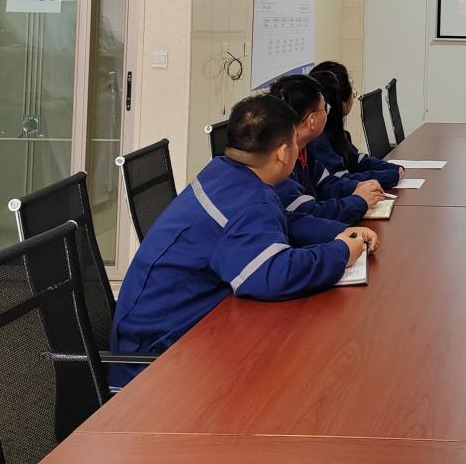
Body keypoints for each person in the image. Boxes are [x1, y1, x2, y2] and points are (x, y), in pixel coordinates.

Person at [109, 94, 378, 386]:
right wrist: (341, 252)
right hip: (153, 361)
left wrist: (338, 233)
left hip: (175, 327)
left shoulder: (224, 172)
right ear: (283, 153)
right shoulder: (250, 201)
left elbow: (283, 222)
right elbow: (274, 274)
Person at [268, 72, 380, 224]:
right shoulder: (279, 159)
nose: (328, 112)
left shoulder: (304, 148)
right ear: (311, 120)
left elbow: (325, 184)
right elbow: (307, 214)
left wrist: (357, 187)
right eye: (325, 108)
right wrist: (357, 202)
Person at [310, 61, 402, 189]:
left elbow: (357, 160)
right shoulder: (317, 140)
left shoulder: (335, 131)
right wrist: (387, 176)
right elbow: (339, 180)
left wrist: (392, 168)